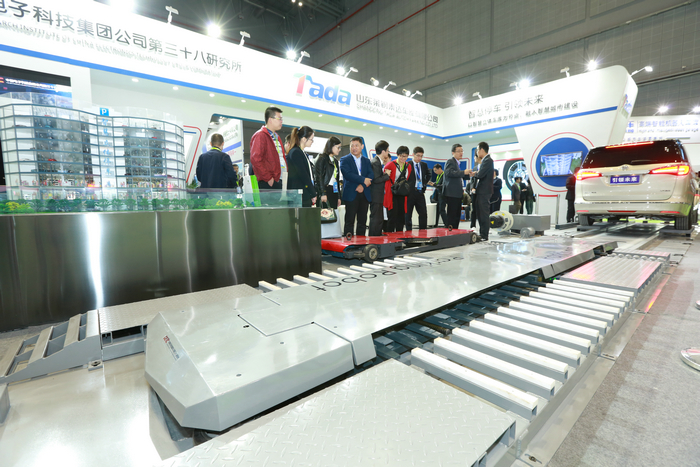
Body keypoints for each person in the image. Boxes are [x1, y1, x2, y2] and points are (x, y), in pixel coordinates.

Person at [340, 137, 373, 236]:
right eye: (352, 146)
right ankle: (348, 242)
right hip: (351, 193)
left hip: (364, 193)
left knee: (362, 221)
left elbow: (371, 174)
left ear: (362, 146)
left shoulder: (366, 161)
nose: (354, 148)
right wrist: (363, 180)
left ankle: (361, 242)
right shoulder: (344, 159)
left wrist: (362, 185)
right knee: (349, 221)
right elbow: (348, 174)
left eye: (356, 145)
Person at [250, 106, 286, 190]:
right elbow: (255, 159)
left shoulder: (276, 136)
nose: (281, 121)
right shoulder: (260, 135)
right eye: (279, 119)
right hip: (268, 182)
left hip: (278, 180)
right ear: (270, 119)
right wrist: (268, 178)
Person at [383, 146, 413, 232]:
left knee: (401, 216)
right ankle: (389, 236)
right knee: (392, 216)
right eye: (402, 156)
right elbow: (385, 179)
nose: (403, 158)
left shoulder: (408, 166)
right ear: (397, 155)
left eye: (406, 156)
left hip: (402, 194)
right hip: (392, 193)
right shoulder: (390, 165)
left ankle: (399, 235)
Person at [286, 126, 317, 207]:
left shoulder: (302, 152)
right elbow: (303, 175)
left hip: (303, 194)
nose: (312, 142)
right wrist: (313, 193)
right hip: (298, 195)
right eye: (311, 139)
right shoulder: (296, 152)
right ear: (304, 139)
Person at [444, 143, 471, 229]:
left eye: (462, 151)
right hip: (452, 193)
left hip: (457, 193)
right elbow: (449, 173)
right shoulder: (450, 161)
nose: (461, 153)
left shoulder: (457, 163)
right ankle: (450, 231)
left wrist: (469, 175)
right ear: (453, 152)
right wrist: (463, 172)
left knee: (457, 214)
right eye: (458, 151)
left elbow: (457, 176)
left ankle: (455, 231)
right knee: (452, 215)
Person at [369, 140, 391, 236]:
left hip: (378, 196)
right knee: (376, 218)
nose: (388, 152)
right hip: (376, 195)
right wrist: (387, 175)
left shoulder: (378, 162)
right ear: (383, 151)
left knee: (379, 218)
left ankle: (377, 236)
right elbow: (376, 179)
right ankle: (374, 237)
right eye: (387, 151)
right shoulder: (375, 162)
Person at [405, 146, 430, 230]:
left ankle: (423, 232)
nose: (419, 158)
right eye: (418, 155)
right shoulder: (407, 164)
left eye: (421, 156)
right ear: (413, 154)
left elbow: (428, 175)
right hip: (410, 193)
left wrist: (424, 183)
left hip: (420, 192)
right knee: (408, 214)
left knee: (423, 214)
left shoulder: (424, 165)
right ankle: (408, 232)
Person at [473, 142, 494, 241]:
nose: (477, 152)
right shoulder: (485, 160)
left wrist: (474, 174)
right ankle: (482, 233)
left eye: (477, 150)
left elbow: (480, 174)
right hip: (481, 191)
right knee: (480, 213)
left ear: (482, 150)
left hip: (484, 191)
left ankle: (484, 235)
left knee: (484, 213)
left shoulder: (488, 160)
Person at [314, 136, 342, 208]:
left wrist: (338, 197)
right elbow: (319, 178)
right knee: (325, 213)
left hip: (334, 190)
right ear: (332, 146)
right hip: (326, 189)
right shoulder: (322, 158)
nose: (339, 150)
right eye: (338, 147)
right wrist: (323, 193)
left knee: (333, 213)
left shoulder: (335, 161)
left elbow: (336, 180)